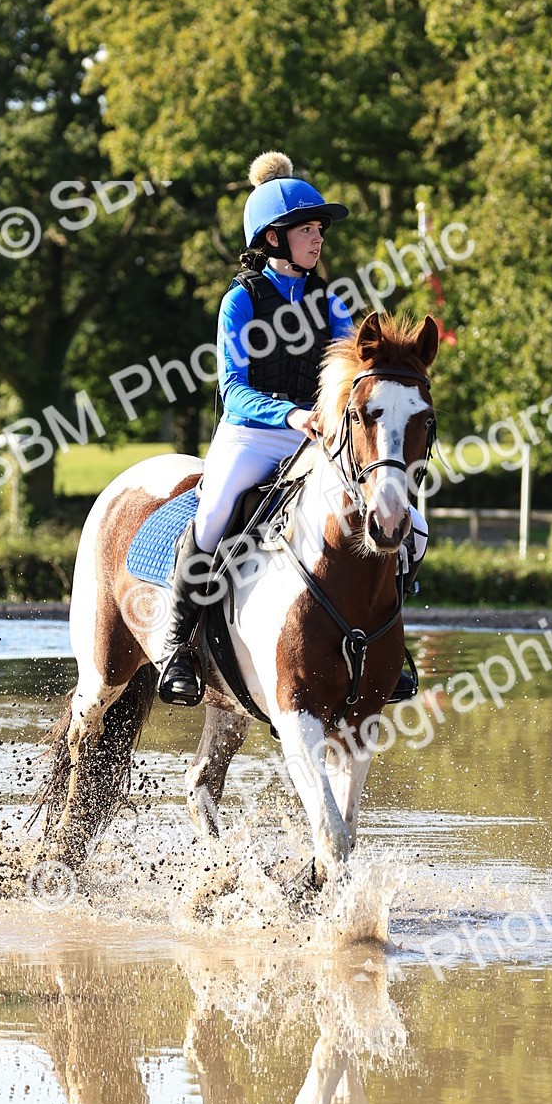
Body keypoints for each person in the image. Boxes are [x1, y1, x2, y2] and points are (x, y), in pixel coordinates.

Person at [158, 151, 425, 706]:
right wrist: (289, 414)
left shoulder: (331, 302)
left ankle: (387, 648)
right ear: (273, 239)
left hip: (321, 435)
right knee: (212, 515)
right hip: (253, 431)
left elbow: (354, 376)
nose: (317, 238)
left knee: (412, 528)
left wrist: (337, 415)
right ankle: (179, 646)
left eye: (319, 230)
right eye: (307, 229)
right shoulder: (239, 301)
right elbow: (233, 387)